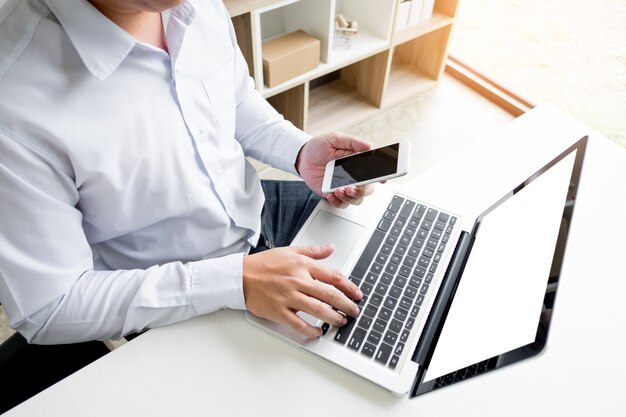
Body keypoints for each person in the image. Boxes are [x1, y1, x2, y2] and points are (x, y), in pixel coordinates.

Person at [0, 0, 374, 347]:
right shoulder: (13, 98)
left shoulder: (194, 6)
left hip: (254, 211)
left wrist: (298, 151)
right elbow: (50, 306)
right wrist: (236, 281)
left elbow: (235, 98)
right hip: (172, 289)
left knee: (389, 282)